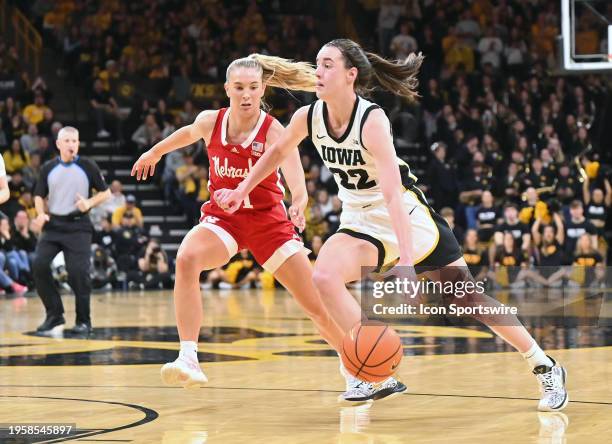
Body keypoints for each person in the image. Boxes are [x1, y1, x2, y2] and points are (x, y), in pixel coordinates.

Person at [215, 39, 568, 411]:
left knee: (467, 297)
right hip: (358, 218)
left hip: (406, 218)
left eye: (327, 64)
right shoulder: (308, 117)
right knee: (323, 278)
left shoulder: (372, 121)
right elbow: (276, 153)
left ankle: (544, 364)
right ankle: (375, 370)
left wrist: (405, 265)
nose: (317, 71)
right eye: (317, 63)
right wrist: (241, 189)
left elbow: (393, 195)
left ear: (351, 75)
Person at [131, 54, 403, 400]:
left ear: (263, 90)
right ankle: (189, 356)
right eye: (240, 88)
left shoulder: (273, 129)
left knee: (316, 307)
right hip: (224, 219)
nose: (246, 95)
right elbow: (184, 134)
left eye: (254, 88)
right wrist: (154, 153)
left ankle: (354, 368)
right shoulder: (209, 122)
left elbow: (293, 172)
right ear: (227, 88)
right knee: (186, 258)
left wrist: (299, 201)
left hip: (268, 223)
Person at [33, 126, 111, 335]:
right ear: (58, 144)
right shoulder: (48, 168)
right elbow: (39, 195)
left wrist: (89, 203)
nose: (71, 145)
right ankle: (54, 314)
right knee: (38, 265)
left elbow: (106, 193)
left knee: (78, 273)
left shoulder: (88, 166)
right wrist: (40, 214)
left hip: (78, 226)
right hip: (54, 225)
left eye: (74, 141)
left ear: (78, 144)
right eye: (67, 141)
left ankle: (84, 321)